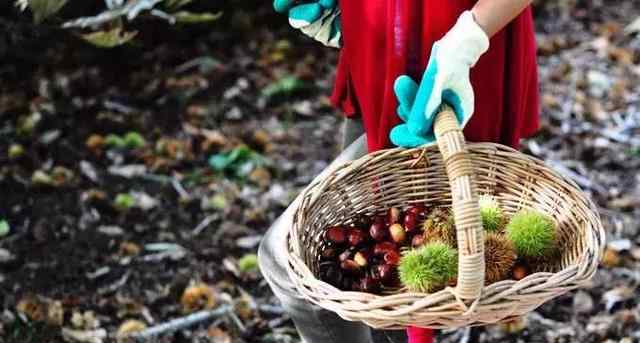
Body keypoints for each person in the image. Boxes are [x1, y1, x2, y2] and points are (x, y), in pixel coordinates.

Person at [259, 0, 539, 342]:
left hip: (451, 49)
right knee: (379, 293)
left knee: (290, 265)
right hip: (378, 41)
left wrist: (469, 39)